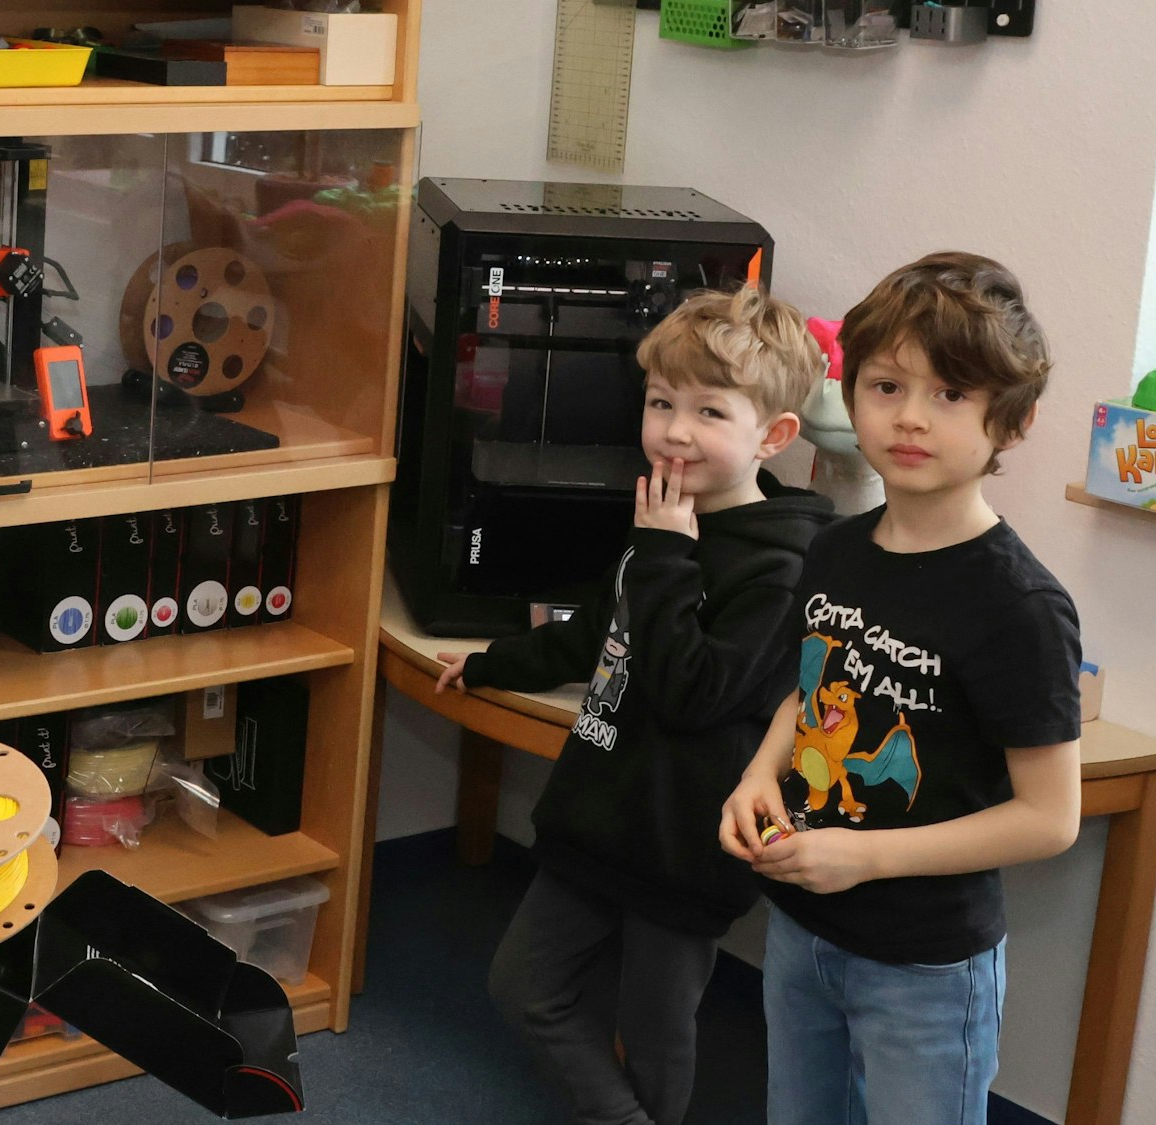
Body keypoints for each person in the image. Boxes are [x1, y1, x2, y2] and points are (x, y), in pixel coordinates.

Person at [436, 286, 836, 1125]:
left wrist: (663, 555)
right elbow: (599, 631)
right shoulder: (666, 514)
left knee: (654, 1033)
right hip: (599, 815)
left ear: (774, 436)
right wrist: (489, 664)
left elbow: (696, 691)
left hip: (684, 841)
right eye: (661, 403)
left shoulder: (779, 562)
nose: (674, 430)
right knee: (524, 987)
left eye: (708, 411)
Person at [719, 251, 1083, 1125]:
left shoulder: (1019, 605)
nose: (911, 417)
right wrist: (758, 775)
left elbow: (1049, 816)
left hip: (926, 968)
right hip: (804, 930)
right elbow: (809, 691)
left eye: (950, 394)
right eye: (886, 386)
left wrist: (867, 856)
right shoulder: (837, 549)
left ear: (1013, 420)